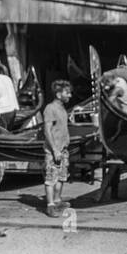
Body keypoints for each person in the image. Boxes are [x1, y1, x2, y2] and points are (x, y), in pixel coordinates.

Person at [43, 78, 73, 218]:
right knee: (51, 178)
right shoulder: (50, 108)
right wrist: (54, 149)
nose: (70, 95)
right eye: (67, 93)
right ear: (58, 94)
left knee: (61, 177)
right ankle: (50, 206)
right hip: (53, 150)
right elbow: (47, 130)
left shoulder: (62, 109)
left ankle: (57, 201)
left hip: (63, 149)